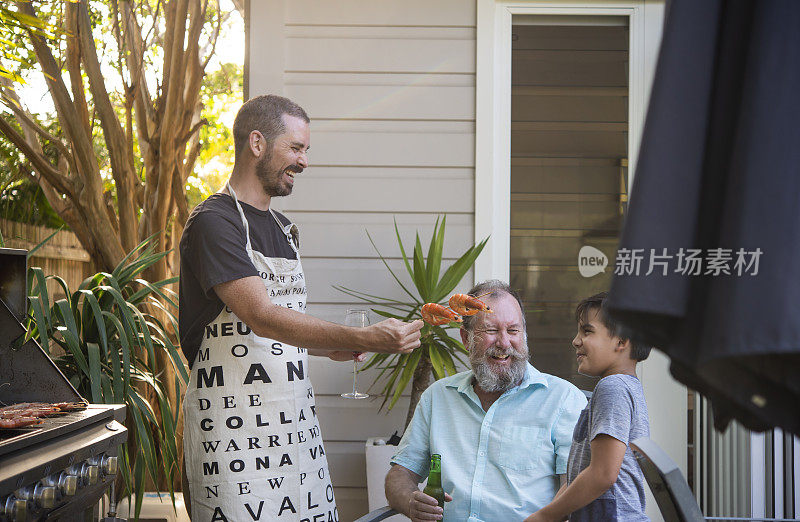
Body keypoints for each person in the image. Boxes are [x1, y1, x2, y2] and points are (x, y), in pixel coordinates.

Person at [179, 94, 423, 522]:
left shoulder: (283, 229)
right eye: (296, 148)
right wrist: (361, 337)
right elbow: (262, 316)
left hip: (293, 426)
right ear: (257, 142)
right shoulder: (214, 222)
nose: (304, 161)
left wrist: (325, 348)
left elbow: (269, 333)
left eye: (305, 150)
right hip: (231, 432)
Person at [385, 280, 587, 522]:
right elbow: (400, 474)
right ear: (466, 338)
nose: (503, 342)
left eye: (513, 331)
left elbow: (577, 488)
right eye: (491, 331)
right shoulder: (437, 396)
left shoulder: (562, 399)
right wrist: (410, 501)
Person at [524, 292, 652, 522]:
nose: (575, 340)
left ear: (621, 341)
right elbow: (582, 474)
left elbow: (602, 474)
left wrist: (545, 516)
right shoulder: (625, 387)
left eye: (587, 331)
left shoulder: (612, 387)